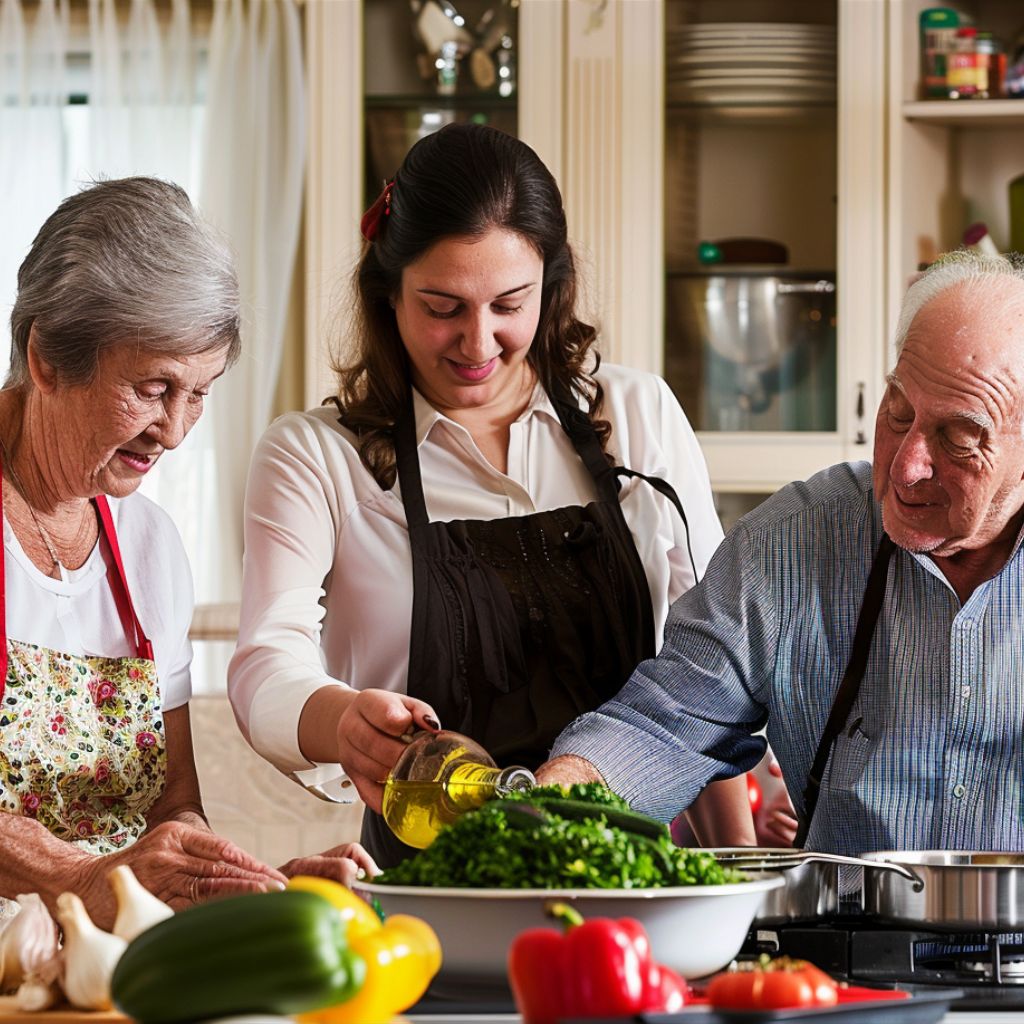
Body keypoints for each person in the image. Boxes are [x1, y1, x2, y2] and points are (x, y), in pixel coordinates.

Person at [228, 123, 756, 867]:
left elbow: (708, 664)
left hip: (636, 879)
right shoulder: (317, 456)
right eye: (442, 307)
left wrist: (739, 872)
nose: (478, 344)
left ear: (553, 284)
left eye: (510, 304)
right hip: (428, 889)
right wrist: (343, 720)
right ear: (387, 294)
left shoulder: (634, 416)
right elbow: (263, 665)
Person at [539, 250, 1024, 855]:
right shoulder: (794, 541)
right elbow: (667, 723)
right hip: (841, 943)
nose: (905, 466)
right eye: (897, 414)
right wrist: (552, 802)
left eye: (958, 437)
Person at [0, 178, 372, 930]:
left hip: (101, 964)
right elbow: (106, 873)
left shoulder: (150, 546)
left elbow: (171, 806)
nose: (173, 431)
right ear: (46, 359)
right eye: (152, 387)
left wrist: (243, 886)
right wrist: (83, 877)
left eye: (199, 393)